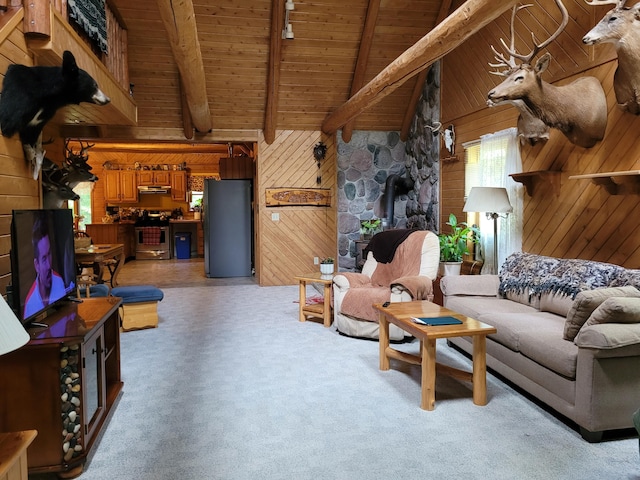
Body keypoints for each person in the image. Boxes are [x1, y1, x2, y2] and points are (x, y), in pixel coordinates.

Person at [23, 213, 67, 319]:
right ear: (36, 265)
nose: (48, 265)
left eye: (49, 254)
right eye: (43, 259)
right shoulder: (30, 304)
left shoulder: (59, 281)